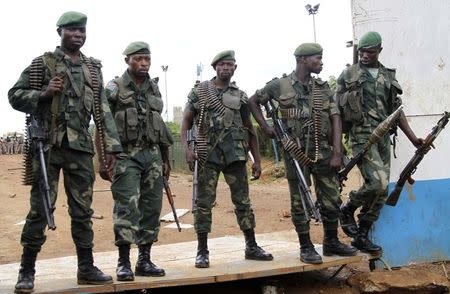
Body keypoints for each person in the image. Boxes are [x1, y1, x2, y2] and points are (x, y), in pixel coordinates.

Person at [8, 11, 122, 292]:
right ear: (59, 32)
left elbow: (103, 112)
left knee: (83, 211)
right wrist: (43, 94)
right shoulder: (42, 64)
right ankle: (27, 269)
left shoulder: (93, 69)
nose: (78, 35)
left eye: (82, 30)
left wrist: (111, 150)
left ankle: (86, 267)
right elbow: (14, 95)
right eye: (72, 30)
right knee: (40, 209)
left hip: (80, 149)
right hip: (47, 146)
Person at [249, 43, 357, 264]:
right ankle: (306, 247)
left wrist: (337, 152)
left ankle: (331, 242)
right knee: (299, 201)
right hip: (295, 152)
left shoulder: (323, 87)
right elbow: (253, 101)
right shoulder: (280, 85)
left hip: (324, 152)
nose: (321, 62)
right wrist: (266, 127)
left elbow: (335, 117)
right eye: (317, 58)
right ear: (302, 60)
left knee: (331, 198)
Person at [180, 50, 273, 268]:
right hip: (207, 155)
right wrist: (186, 149)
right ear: (215, 67)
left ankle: (251, 245)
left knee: (243, 202)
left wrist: (256, 160)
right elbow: (185, 122)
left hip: (235, 155)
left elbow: (250, 129)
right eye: (222, 64)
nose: (226, 68)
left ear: (235, 68)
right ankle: (202, 251)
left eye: (230, 65)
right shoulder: (200, 92)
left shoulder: (240, 96)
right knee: (203, 204)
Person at [336, 31, 422, 253]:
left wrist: (414, 139)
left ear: (379, 51)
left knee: (382, 191)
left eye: (369, 52)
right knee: (378, 184)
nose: (364, 55)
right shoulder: (348, 75)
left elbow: (397, 111)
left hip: (384, 137)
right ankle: (348, 207)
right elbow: (335, 111)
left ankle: (362, 235)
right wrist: (336, 147)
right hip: (361, 136)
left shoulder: (387, 76)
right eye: (362, 51)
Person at [101, 41, 173, 281]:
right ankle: (123, 262)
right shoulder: (114, 87)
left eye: (147, 59)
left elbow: (159, 125)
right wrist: (102, 159)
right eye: (139, 59)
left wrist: (165, 158)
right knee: (127, 207)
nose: (144, 63)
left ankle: (144, 260)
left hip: (151, 155)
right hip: (124, 156)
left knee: (152, 208)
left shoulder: (153, 88)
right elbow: (102, 124)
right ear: (127, 61)